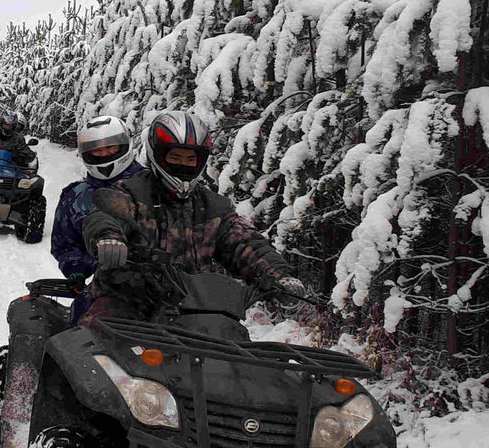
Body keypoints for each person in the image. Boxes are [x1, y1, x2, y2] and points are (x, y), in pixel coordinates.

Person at [81, 110, 315, 323]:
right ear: (158, 156)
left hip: (195, 311)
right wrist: (108, 236)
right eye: (175, 157)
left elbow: (246, 244)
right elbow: (107, 214)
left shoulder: (213, 206)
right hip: (126, 305)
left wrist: (278, 277)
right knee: (89, 348)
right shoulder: (130, 192)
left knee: (233, 360)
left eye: (190, 159)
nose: (183, 165)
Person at [50, 115, 144, 322]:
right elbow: (64, 243)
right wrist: (75, 268)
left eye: (110, 148)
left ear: (124, 144)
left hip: (164, 290)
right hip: (103, 291)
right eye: (96, 151)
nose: (104, 155)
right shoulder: (75, 195)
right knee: (76, 341)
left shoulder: (155, 186)